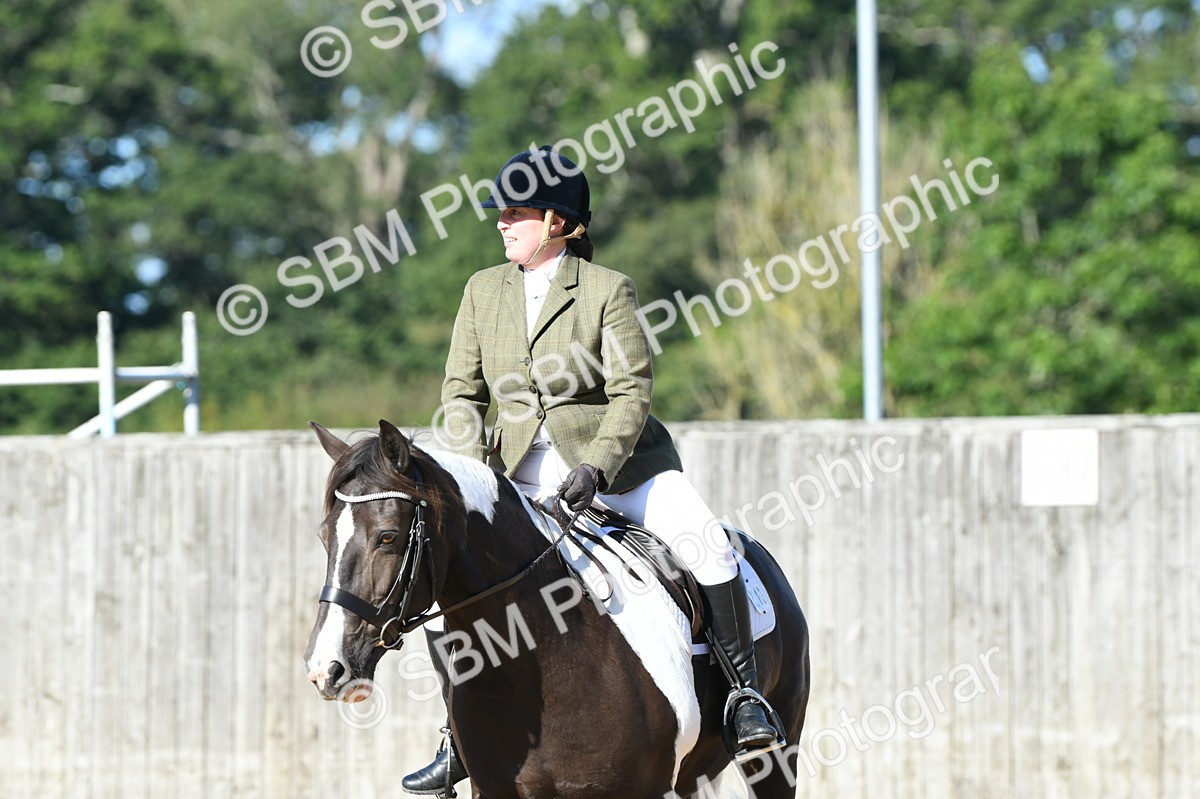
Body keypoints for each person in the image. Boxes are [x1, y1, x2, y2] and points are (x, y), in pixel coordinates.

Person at [402, 147, 781, 796]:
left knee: (710, 546)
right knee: (451, 595)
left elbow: (632, 393)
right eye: (501, 212)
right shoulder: (481, 292)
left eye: (517, 212)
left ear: (559, 221)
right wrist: (477, 474)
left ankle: (744, 698)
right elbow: (461, 394)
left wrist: (596, 468)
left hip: (620, 469)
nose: (502, 222)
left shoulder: (607, 289)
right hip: (516, 479)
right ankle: (455, 734)